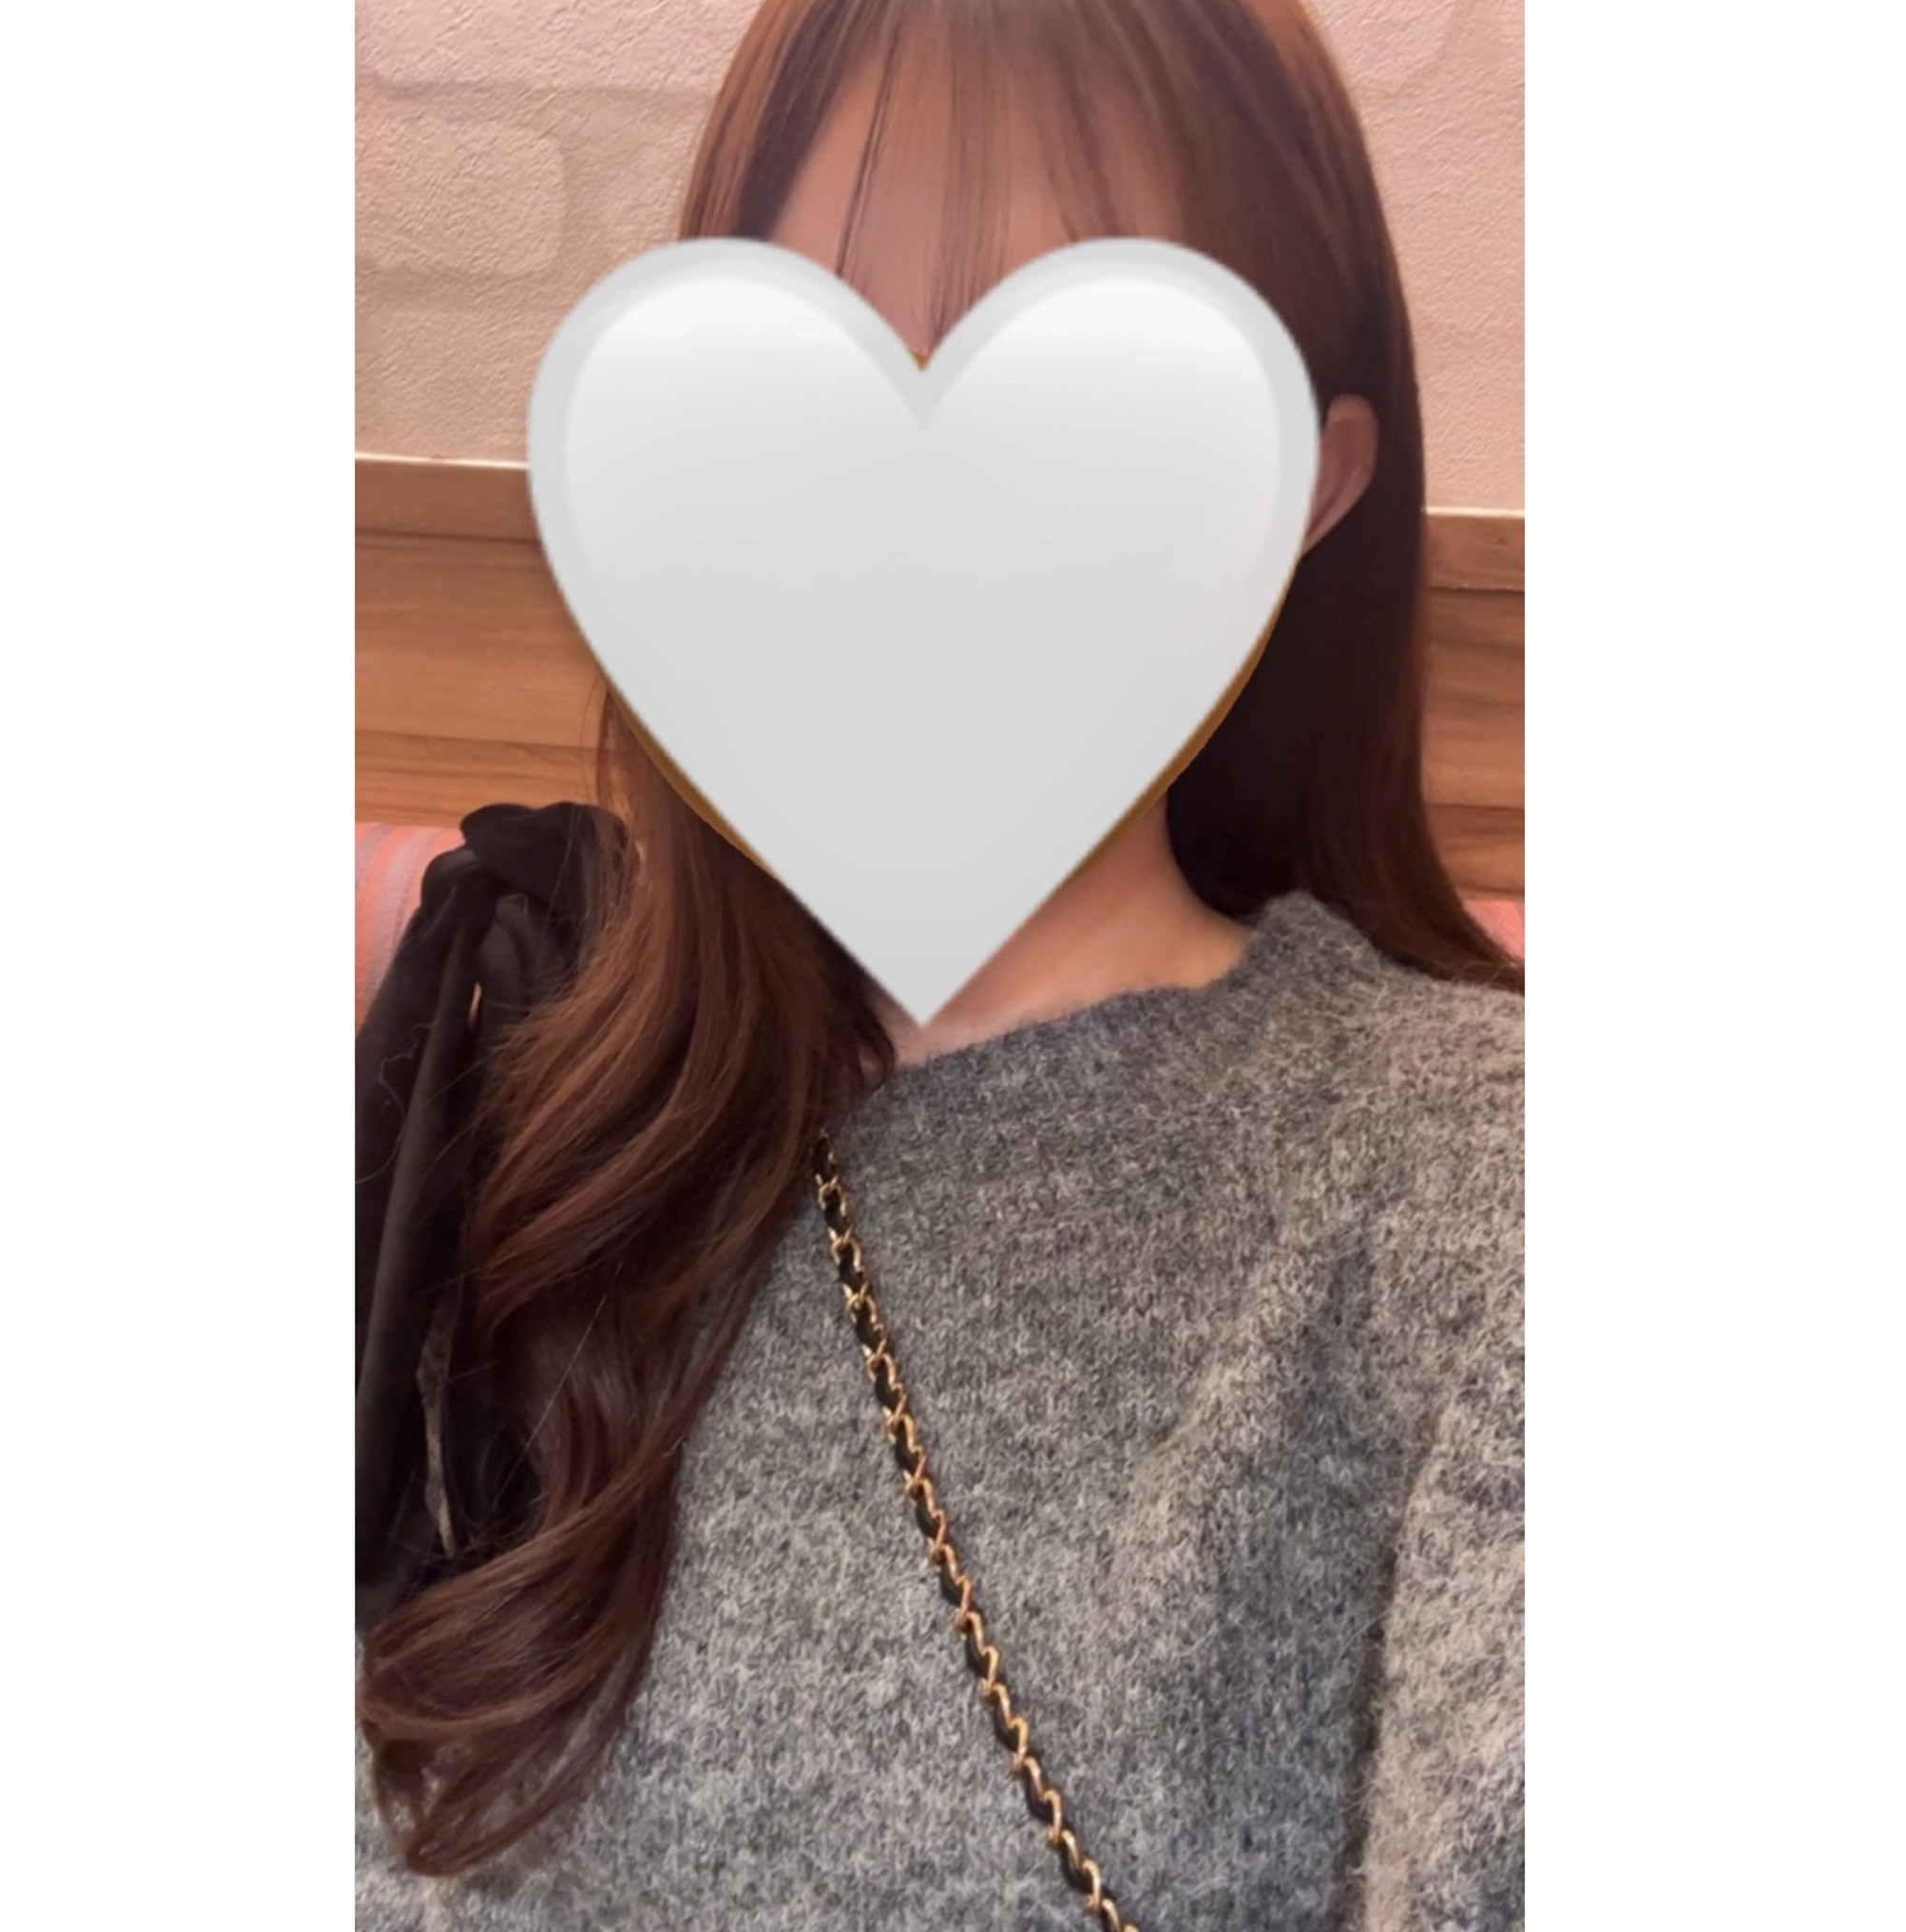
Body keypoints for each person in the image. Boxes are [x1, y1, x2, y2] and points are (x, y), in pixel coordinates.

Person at [355, 1, 1525, 1927]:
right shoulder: (521, 1105)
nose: (925, 504)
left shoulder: (1475, 1180)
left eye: (1088, 387)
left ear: (1307, 488)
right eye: (829, 369)